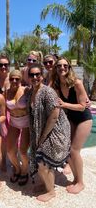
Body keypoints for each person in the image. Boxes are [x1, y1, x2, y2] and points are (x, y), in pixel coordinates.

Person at [28, 63, 71, 202]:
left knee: (43, 162)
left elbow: (54, 115)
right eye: (32, 75)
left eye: (37, 74)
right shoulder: (31, 91)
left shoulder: (47, 91)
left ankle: (51, 191)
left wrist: (43, 136)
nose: (35, 77)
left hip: (55, 131)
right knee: (40, 159)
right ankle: (46, 184)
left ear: (42, 75)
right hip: (42, 130)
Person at [51, 57, 92, 194]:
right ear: (56, 69)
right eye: (59, 66)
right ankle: (75, 179)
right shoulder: (57, 85)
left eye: (65, 65)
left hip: (83, 119)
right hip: (71, 119)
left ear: (69, 68)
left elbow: (82, 107)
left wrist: (64, 104)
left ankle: (80, 182)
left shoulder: (77, 83)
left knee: (74, 150)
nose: (62, 68)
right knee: (68, 150)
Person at [6, 70, 30, 186]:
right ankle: (17, 168)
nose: (14, 81)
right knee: (10, 151)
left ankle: (25, 171)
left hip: (26, 123)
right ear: (9, 79)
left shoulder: (26, 90)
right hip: (13, 122)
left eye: (17, 79)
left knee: (23, 151)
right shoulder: (6, 92)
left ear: (21, 80)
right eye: (12, 79)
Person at [0, 54, 10, 171]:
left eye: (6, 64)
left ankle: (4, 159)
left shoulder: (13, 78)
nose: (3, 67)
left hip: (9, 112)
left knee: (6, 137)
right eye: (1, 65)